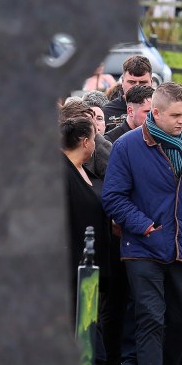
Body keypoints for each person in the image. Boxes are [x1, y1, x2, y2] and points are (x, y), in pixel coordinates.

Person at [102, 82, 182, 365]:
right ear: (157, 112)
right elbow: (113, 197)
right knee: (150, 315)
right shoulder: (127, 145)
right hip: (143, 247)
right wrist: (146, 227)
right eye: (176, 115)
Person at [61, 115, 110, 319]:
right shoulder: (61, 172)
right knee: (80, 328)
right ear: (85, 142)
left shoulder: (84, 170)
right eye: (94, 137)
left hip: (90, 269)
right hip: (70, 271)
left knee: (89, 327)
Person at [102, 56, 153, 128]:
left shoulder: (161, 110)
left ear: (151, 82)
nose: (137, 87)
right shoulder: (106, 112)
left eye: (142, 82)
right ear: (122, 82)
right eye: (132, 82)